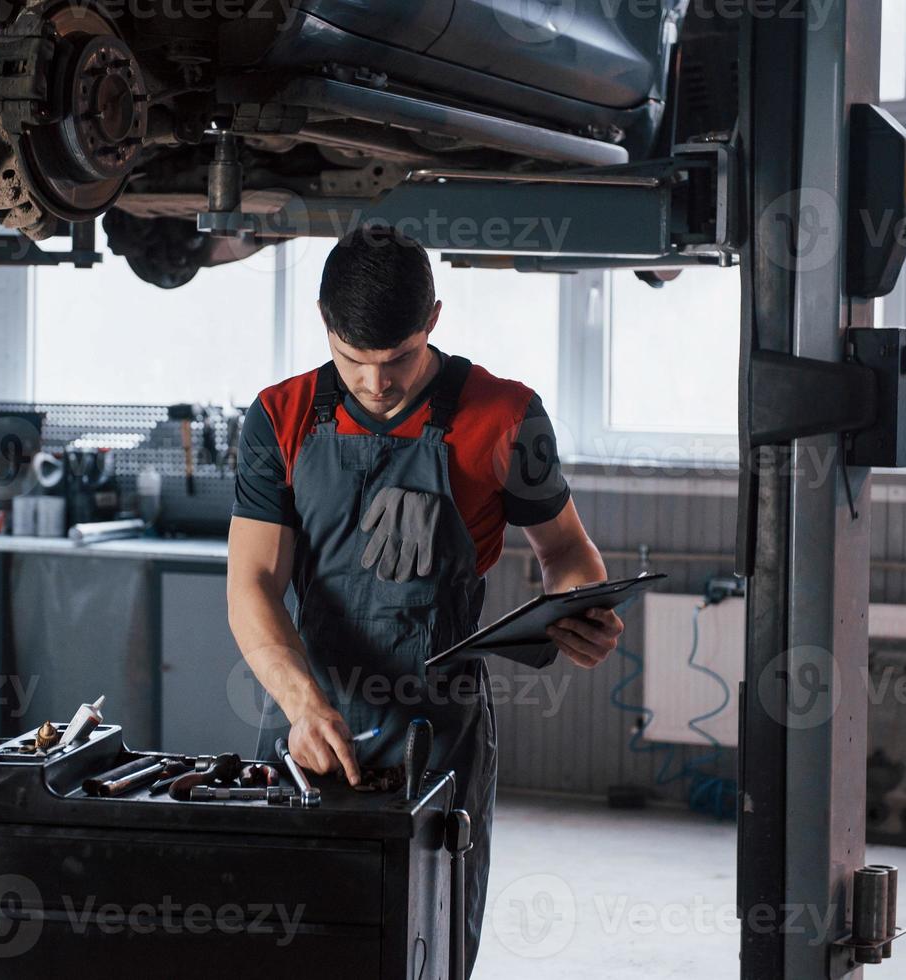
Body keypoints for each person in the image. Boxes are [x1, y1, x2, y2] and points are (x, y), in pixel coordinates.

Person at [226, 225, 623, 976]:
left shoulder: (504, 415)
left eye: (398, 358)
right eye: (354, 360)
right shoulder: (279, 415)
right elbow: (250, 584)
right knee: (291, 940)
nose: (376, 382)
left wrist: (577, 607)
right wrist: (303, 706)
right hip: (309, 719)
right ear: (323, 322)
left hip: (440, 734)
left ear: (433, 320)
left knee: (426, 941)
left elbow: (568, 554)